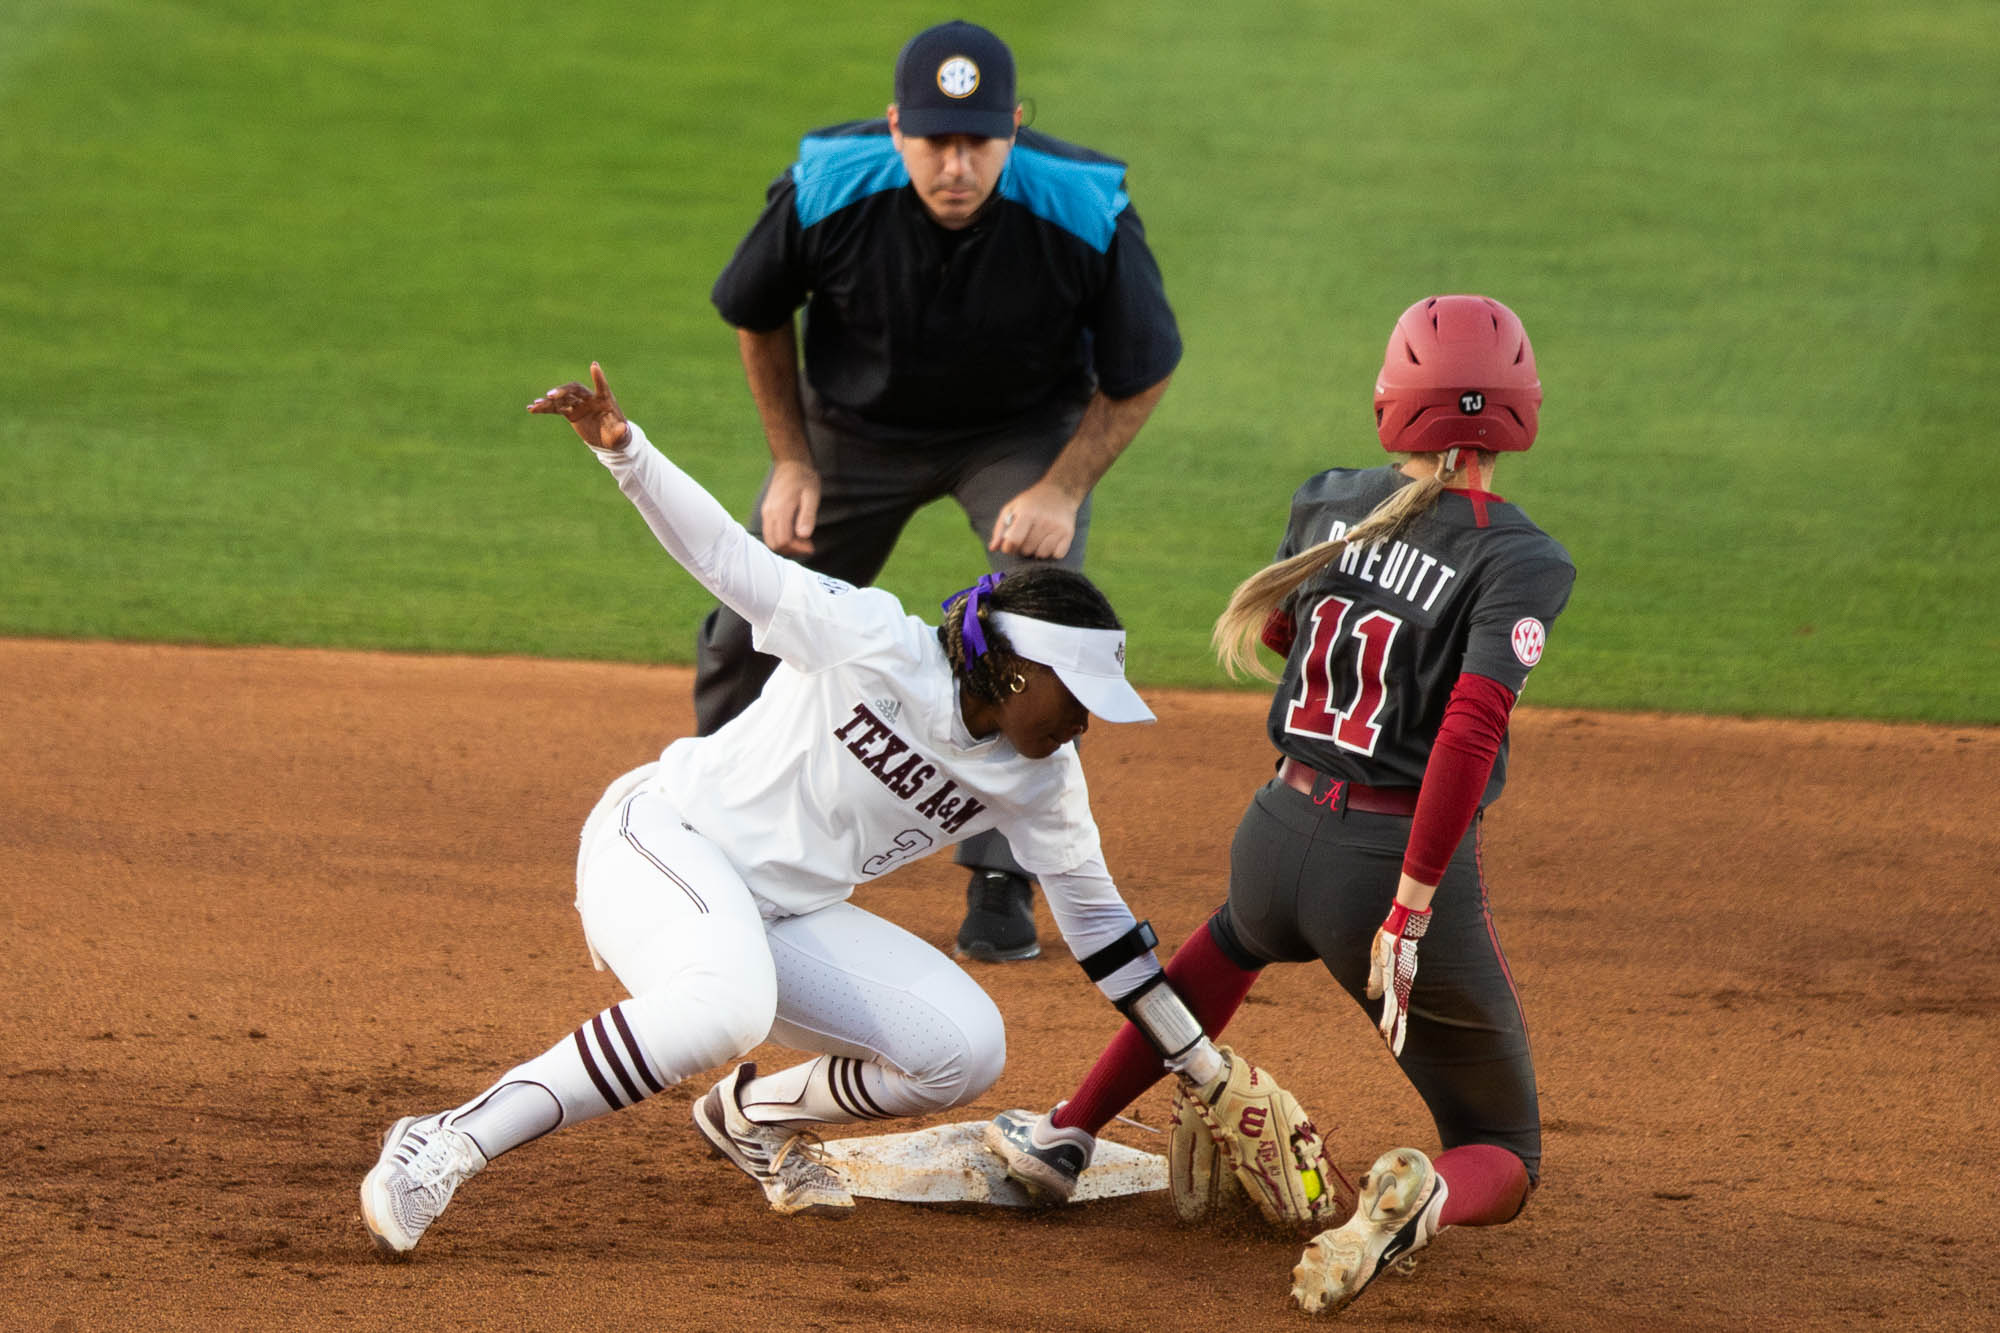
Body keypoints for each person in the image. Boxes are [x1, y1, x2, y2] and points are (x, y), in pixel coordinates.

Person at [358, 363, 1227, 1259]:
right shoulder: (876, 643)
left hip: (781, 913)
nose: (1087, 720)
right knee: (725, 1006)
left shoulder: (1043, 779)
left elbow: (1103, 930)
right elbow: (733, 563)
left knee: (963, 1050)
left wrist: (1204, 1063)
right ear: (1012, 669)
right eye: (1076, 694)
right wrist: (628, 453)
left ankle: (750, 1118)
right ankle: (445, 1138)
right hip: (660, 841)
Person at [985, 296, 1576, 1316]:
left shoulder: (1327, 500)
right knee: (1502, 1147)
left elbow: (1288, 641)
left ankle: (1063, 1133)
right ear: (1517, 411)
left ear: (1393, 401)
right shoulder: (1518, 556)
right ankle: (1423, 1194)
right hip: (1376, 862)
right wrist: (1411, 905)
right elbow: (1466, 738)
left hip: (1275, 833)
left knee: (1211, 963)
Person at [701, 19, 1182, 964]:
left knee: (1038, 629)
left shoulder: (1084, 204)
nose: (955, 165)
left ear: (1013, 127)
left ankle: (1003, 875)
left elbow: (1146, 365)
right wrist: (792, 458)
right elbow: (753, 313)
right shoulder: (829, 184)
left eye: (977, 141)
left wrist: (1062, 485)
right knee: (743, 617)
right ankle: (715, 824)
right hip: (851, 430)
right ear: (894, 128)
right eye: (933, 141)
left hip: (1017, 435)